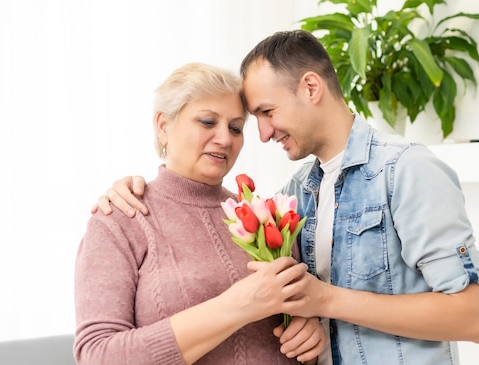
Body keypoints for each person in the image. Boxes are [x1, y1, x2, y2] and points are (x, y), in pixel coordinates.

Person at [92, 30, 479, 365]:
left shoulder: (406, 170)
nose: (261, 135)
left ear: (311, 87)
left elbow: (474, 319)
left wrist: (325, 303)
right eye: (211, 122)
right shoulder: (290, 198)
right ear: (163, 126)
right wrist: (311, 325)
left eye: (261, 114)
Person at [74, 62, 327, 365]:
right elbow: (98, 356)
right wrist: (238, 306)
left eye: (235, 128)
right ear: (163, 126)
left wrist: (309, 332)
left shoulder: (266, 218)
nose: (225, 138)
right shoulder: (120, 220)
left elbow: (296, 322)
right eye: (207, 122)